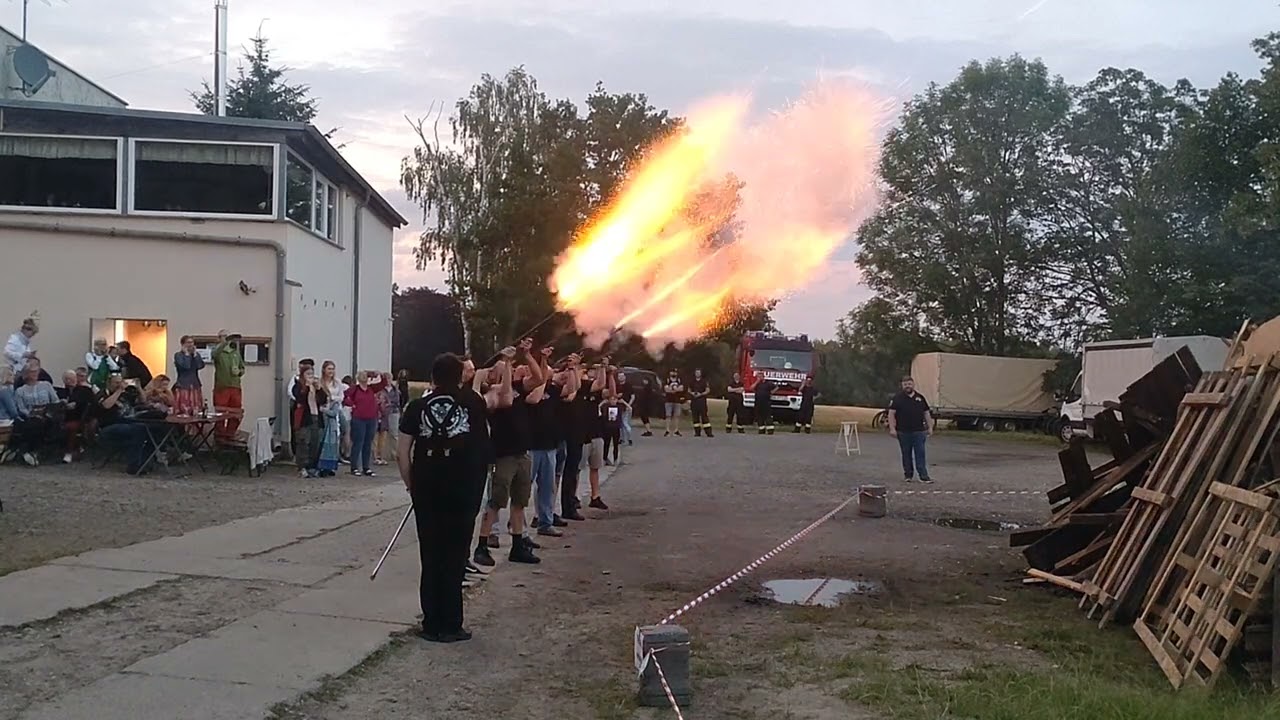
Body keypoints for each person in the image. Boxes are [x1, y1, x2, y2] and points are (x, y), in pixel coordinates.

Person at [398, 353, 493, 643]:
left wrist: (411, 485)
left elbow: (402, 452)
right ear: (461, 375)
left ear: (433, 376)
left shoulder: (417, 406)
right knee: (454, 557)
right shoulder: (473, 403)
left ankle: (431, 622)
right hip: (462, 490)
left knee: (431, 556)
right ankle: (451, 624)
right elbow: (483, 448)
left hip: (427, 490)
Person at [475, 339, 544, 565]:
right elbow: (505, 398)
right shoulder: (491, 394)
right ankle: (482, 545)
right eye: (502, 369)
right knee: (496, 501)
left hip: (522, 453)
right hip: (504, 455)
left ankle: (517, 544)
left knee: (519, 502)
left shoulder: (517, 388)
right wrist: (504, 362)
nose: (508, 369)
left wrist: (528, 355)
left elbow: (539, 378)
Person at [528, 348, 566, 537]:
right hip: (532, 446)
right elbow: (534, 398)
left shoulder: (553, 390)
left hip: (549, 446)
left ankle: (545, 522)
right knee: (523, 489)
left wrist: (574, 368)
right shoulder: (530, 390)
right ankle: (515, 524)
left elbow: (572, 389)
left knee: (547, 488)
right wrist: (542, 361)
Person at [95, 375, 152, 475]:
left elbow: (144, 401)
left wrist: (138, 387)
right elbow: (106, 405)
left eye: (120, 382)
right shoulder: (103, 393)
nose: (119, 385)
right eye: (116, 382)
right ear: (109, 383)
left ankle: (145, 462)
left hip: (130, 422)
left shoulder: (126, 394)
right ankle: (134, 466)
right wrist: (119, 391)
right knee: (139, 430)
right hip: (109, 426)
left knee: (153, 429)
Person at [577, 359, 613, 510]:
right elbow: (599, 383)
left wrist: (610, 374)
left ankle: (595, 496)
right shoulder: (579, 388)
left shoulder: (596, 391)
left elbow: (610, 392)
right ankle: (575, 496)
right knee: (577, 468)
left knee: (595, 466)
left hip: (596, 433)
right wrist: (602, 369)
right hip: (582, 433)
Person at [888, 375, 934, 483]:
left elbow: (926, 413)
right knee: (906, 454)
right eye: (905, 384)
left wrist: (930, 427)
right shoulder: (897, 398)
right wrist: (892, 428)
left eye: (909, 384)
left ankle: (923, 476)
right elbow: (891, 414)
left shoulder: (920, 398)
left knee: (920, 454)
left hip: (919, 431)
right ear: (902, 386)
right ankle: (908, 475)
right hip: (903, 431)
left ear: (913, 384)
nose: (907, 386)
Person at [344, 370, 388, 476]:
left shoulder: (371, 388)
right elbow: (345, 397)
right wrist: (352, 404)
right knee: (358, 442)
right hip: (358, 418)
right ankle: (354, 467)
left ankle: (366, 467)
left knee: (368, 443)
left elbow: (383, 384)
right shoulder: (355, 389)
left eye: (365, 376)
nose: (364, 377)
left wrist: (379, 374)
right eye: (362, 376)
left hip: (371, 418)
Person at [292, 366, 329, 478]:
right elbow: (299, 398)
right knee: (304, 443)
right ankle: (302, 467)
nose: (310, 377)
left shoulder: (315, 386)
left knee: (315, 443)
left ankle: (312, 467)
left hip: (316, 416)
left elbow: (323, 400)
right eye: (308, 374)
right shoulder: (299, 386)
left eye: (312, 374)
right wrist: (306, 388)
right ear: (303, 375)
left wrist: (319, 389)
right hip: (304, 418)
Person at [211, 330, 246, 440]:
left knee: (236, 411)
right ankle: (220, 435)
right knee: (221, 411)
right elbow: (214, 355)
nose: (228, 339)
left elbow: (242, 368)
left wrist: (239, 372)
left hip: (235, 386)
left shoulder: (235, 352)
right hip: (222, 386)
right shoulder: (217, 351)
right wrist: (224, 343)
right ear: (219, 338)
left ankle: (230, 433)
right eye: (225, 336)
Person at [58, 370, 96, 463]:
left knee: (71, 427)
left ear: (76, 379)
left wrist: (77, 404)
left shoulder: (85, 391)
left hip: (80, 417)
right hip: (63, 417)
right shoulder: (62, 392)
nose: (69, 381)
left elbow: (91, 405)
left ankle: (69, 452)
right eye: (67, 379)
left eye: (71, 379)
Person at [172, 335, 206, 416]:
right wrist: (186, 355)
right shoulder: (178, 355)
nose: (191, 344)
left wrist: (195, 355)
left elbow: (200, 366)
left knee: (196, 408)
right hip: (183, 385)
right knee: (184, 409)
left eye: (192, 342)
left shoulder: (195, 355)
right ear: (183, 344)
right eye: (188, 342)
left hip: (195, 384)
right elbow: (186, 366)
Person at [598, 388, 631, 465]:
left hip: (616, 428)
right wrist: (602, 403)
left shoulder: (619, 407)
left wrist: (624, 402)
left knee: (616, 444)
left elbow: (630, 409)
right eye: (611, 399)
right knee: (607, 444)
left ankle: (615, 459)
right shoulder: (606, 406)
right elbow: (597, 408)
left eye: (614, 399)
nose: (613, 401)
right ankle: (604, 458)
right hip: (607, 428)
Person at [375, 373, 401, 466]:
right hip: (382, 414)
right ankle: (378, 455)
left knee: (394, 434)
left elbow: (397, 402)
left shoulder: (395, 390)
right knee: (380, 434)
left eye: (389, 378)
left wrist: (388, 404)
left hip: (393, 412)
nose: (388, 380)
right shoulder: (380, 390)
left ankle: (395, 454)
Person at [688, 368, 713, 438]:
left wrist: (701, 394)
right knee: (695, 418)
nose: (697, 374)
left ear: (701, 373)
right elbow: (689, 389)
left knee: (704, 417)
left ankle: (708, 432)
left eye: (699, 373)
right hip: (694, 401)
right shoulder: (692, 381)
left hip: (702, 401)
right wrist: (692, 393)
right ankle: (697, 432)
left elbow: (708, 390)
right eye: (696, 372)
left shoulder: (704, 381)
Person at [616, 371, 636, 446]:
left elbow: (633, 397)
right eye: (619, 376)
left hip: (626, 406)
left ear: (625, 377)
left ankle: (629, 439)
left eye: (622, 376)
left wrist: (629, 405)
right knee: (620, 424)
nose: (620, 378)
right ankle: (621, 439)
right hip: (618, 406)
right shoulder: (617, 386)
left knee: (625, 423)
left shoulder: (628, 385)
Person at [663, 369, 684, 437]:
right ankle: (667, 430)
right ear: (670, 372)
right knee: (668, 415)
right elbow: (666, 389)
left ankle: (676, 430)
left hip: (677, 400)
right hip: (668, 400)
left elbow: (681, 388)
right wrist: (674, 390)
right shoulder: (667, 380)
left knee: (677, 416)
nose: (674, 373)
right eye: (672, 372)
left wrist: (673, 389)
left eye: (675, 372)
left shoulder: (679, 380)